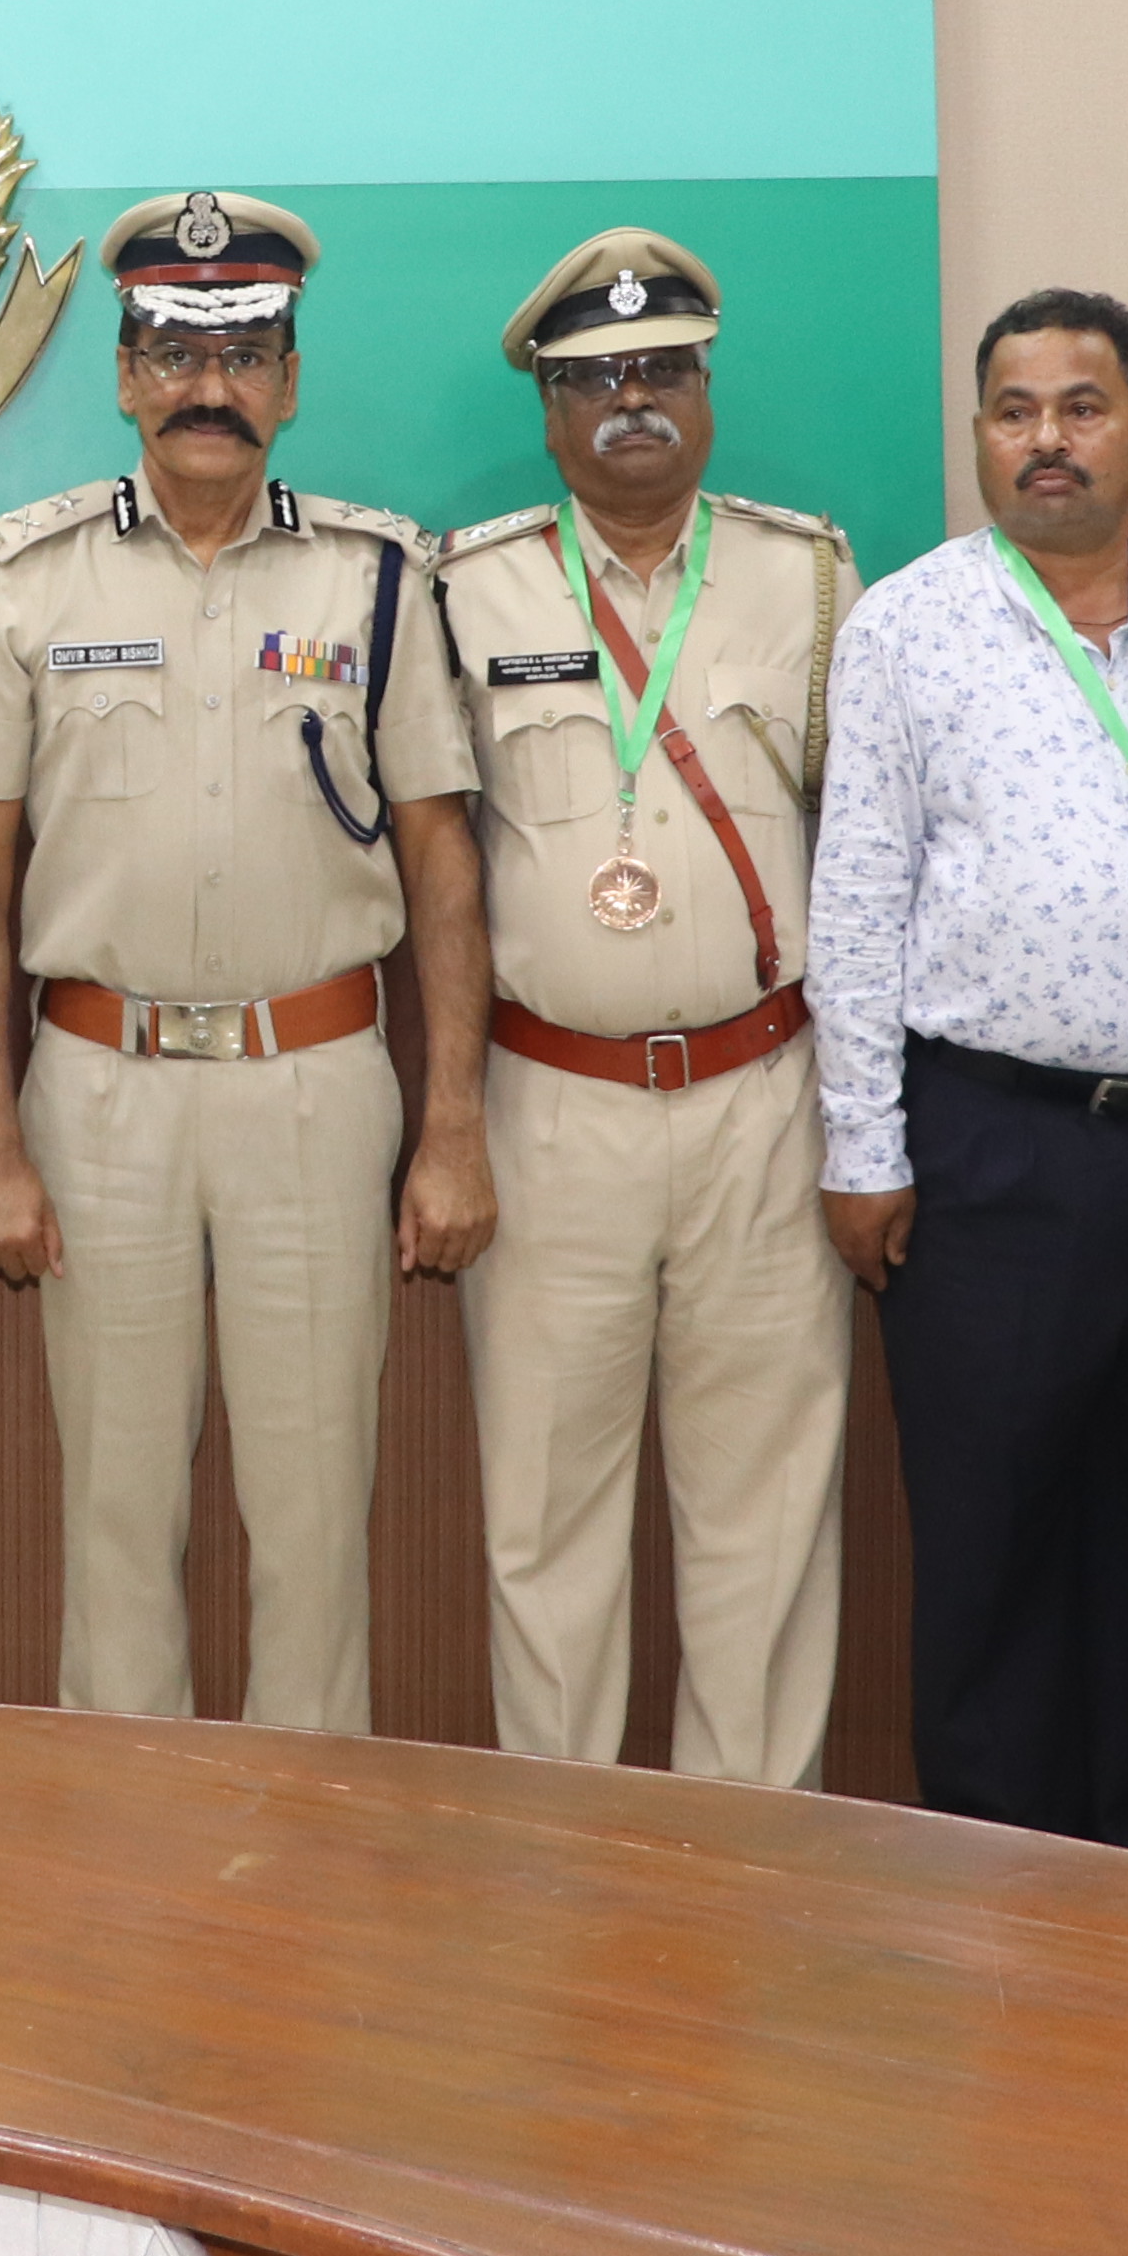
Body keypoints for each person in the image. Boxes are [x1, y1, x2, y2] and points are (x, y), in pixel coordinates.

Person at [0, 191, 489, 1737]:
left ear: (290, 384)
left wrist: (452, 1124)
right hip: (97, 1088)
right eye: (175, 355)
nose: (209, 389)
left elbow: (442, 860)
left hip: (312, 1084)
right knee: (117, 1514)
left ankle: (304, 1838)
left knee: (315, 1515)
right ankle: (129, 1839)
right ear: (125, 377)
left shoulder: (375, 578)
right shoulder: (26, 576)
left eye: (244, 356)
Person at [806, 286, 1128, 1851]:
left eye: (1081, 407)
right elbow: (857, 896)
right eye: (1015, 411)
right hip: (989, 1150)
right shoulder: (906, 626)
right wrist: (864, 1147)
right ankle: (998, 1886)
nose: (1048, 440)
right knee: (992, 1544)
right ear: (982, 435)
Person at [422, 230, 860, 1787]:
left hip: (763, 1100)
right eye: (595, 378)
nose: (632, 402)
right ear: (548, 411)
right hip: (552, 1112)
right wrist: (449, 1130)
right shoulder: (463, 590)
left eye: (664, 369)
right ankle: (562, 1858)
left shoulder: (811, 577)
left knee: (766, 1510)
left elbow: (866, 857)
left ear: (707, 390)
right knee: (546, 1517)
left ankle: (752, 1853)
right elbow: (440, 873)